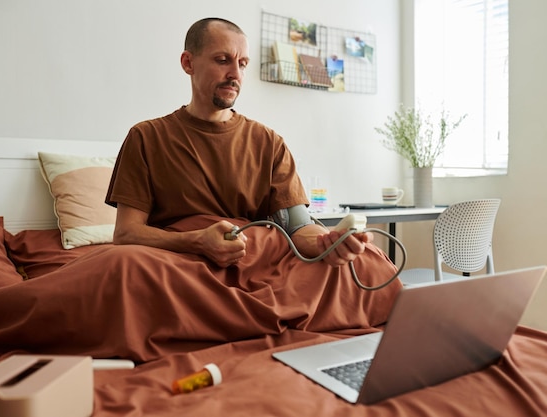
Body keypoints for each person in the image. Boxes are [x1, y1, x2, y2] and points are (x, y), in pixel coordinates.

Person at [105, 17, 372, 269]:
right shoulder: (146, 137)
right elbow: (127, 232)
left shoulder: (269, 142)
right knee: (123, 265)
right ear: (188, 63)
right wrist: (198, 241)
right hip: (179, 263)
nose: (235, 74)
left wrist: (327, 242)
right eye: (223, 60)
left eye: (242, 64)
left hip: (255, 261)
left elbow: (299, 227)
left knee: (369, 261)